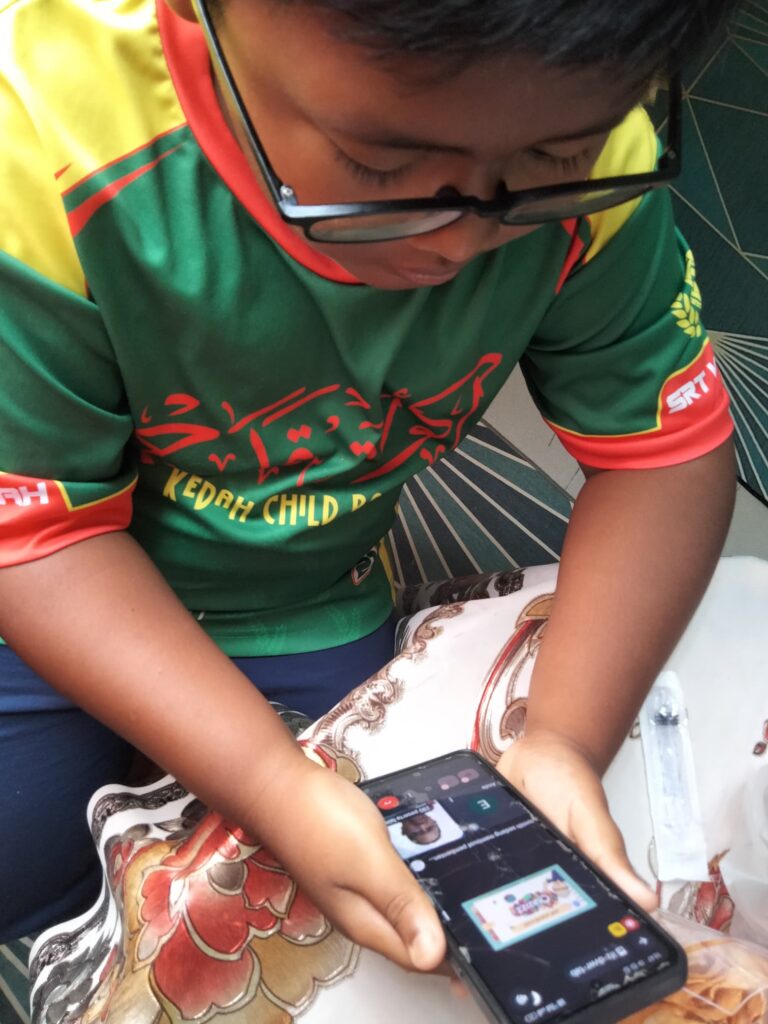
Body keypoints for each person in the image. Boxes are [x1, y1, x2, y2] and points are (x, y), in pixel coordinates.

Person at [0, 0, 737, 974]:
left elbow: (662, 452)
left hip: (303, 592)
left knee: (377, 894)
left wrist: (564, 737)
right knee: (24, 860)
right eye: (381, 165)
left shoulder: (602, 148)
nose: (457, 244)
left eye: (554, 158)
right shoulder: (37, 143)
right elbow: (39, 533)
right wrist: (267, 781)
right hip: (40, 587)